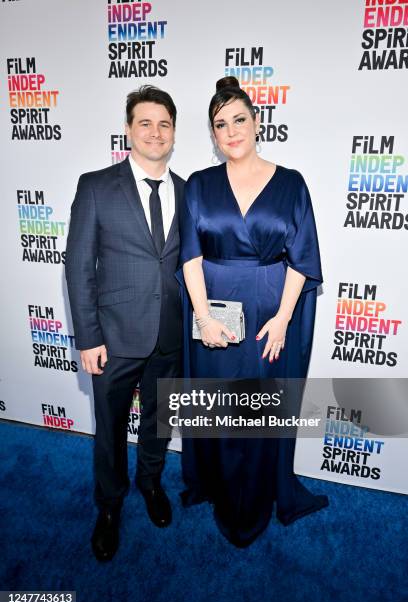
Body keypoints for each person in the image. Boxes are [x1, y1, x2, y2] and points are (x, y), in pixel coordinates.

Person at [177, 76, 328, 548]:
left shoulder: (291, 183)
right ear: (213, 135)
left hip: (271, 314)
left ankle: (260, 494)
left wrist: (283, 318)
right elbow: (189, 257)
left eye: (239, 119)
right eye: (220, 125)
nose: (231, 131)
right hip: (213, 312)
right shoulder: (199, 185)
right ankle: (219, 489)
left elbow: (302, 258)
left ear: (257, 122)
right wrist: (202, 318)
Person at [65, 85, 184, 561]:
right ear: (129, 130)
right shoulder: (95, 185)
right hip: (113, 339)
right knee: (110, 427)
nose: (155, 132)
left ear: (174, 132)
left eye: (164, 124)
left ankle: (151, 483)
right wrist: (88, 336)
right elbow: (77, 266)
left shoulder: (190, 190)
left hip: (171, 334)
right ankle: (109, 506)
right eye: (145, 123)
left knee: (159, 421)